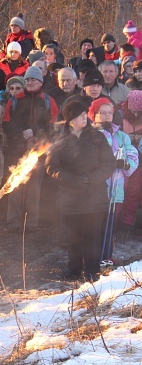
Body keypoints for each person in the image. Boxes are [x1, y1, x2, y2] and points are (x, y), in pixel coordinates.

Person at [46, 100, 116, 282]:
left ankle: (92, 270)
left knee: (92, 235)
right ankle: (74, 268)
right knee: (73, 236)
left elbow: (108, 163)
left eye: (85, 113)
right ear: (70, 120)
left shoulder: (97, 137)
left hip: (95, 195)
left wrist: (91, 179)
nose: (85, 117)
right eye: (79, 115)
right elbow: (51, 167)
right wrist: (72, 180)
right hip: (70, 197)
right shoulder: (60, 140)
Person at [3, 66, 58, 230]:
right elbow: (6, 123)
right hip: (16, 149)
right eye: (27, 79)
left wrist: (35, 132)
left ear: (40, 81)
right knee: (14, 185)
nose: (30, 82)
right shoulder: (14, 100)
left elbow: (54, 125)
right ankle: (13, 221)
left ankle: (31, 222)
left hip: (38, 150)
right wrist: (21, 134)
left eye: (33, 79)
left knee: (34, 187)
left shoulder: (48, 100)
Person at [89, 98, 138, 262]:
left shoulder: (122, 136)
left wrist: (126, 164)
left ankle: (107, 255)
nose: (106, 116)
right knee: (95, 224)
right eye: (102, 112)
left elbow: (132, 153)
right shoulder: (90, 135)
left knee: (111, 225)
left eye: (109, 112)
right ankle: (91, 257)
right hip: (97, 188)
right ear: (94, 115)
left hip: (116, 187)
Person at [120, 91, 142, 236]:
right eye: (133, 109)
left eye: (138, 110)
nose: (135, 112)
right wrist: (127, 138)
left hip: (139, 160)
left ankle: (128, 222)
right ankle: (118, 221)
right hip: (123, 159)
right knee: (121, 189)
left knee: (134, 191)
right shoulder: (120, 115)